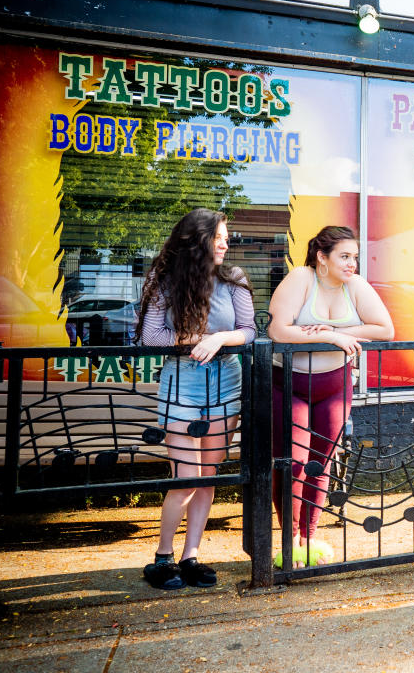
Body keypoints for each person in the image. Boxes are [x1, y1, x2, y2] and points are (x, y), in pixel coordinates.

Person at [138, 208, 255, 590]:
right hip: (181, 385)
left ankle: (191, 556)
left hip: (226, 383)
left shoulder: (232, 278)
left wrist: (219, 338)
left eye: (227, 236)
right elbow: (150, 338)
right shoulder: (163, 280)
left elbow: (250, 331)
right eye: (219, 236)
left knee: (207, 478)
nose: (226, 242)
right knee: (185, 480)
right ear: (197, 239)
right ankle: (162, 557)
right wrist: (193, 340)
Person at [267, 226, 393, 567]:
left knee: (320, 463)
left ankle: (308, 539)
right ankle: (288, 541)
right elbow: (278, 330)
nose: (352, 264)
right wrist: (333, 339)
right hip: (290, 384)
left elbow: (384, 329)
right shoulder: (300, 278)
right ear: (322, 258)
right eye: (344, 256)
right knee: (292, 463)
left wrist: (334, 333)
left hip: (334, 386)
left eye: (354, 257)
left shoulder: (356, 286)